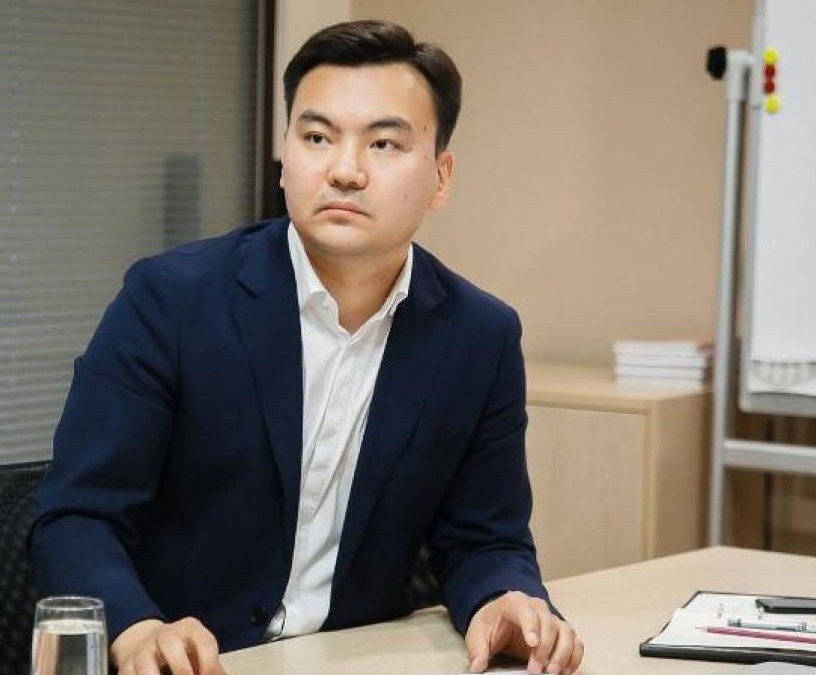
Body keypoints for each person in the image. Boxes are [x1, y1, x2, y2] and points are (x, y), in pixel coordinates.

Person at [30, 19, 584, 675]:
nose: (344, 171)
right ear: (286, 159)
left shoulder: (479, 337)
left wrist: (502, 598)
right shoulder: (171, 300)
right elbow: (77, 516)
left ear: (441, 176)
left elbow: (485, 538)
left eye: (383, 143)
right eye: (317, 137)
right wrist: (136, 629)